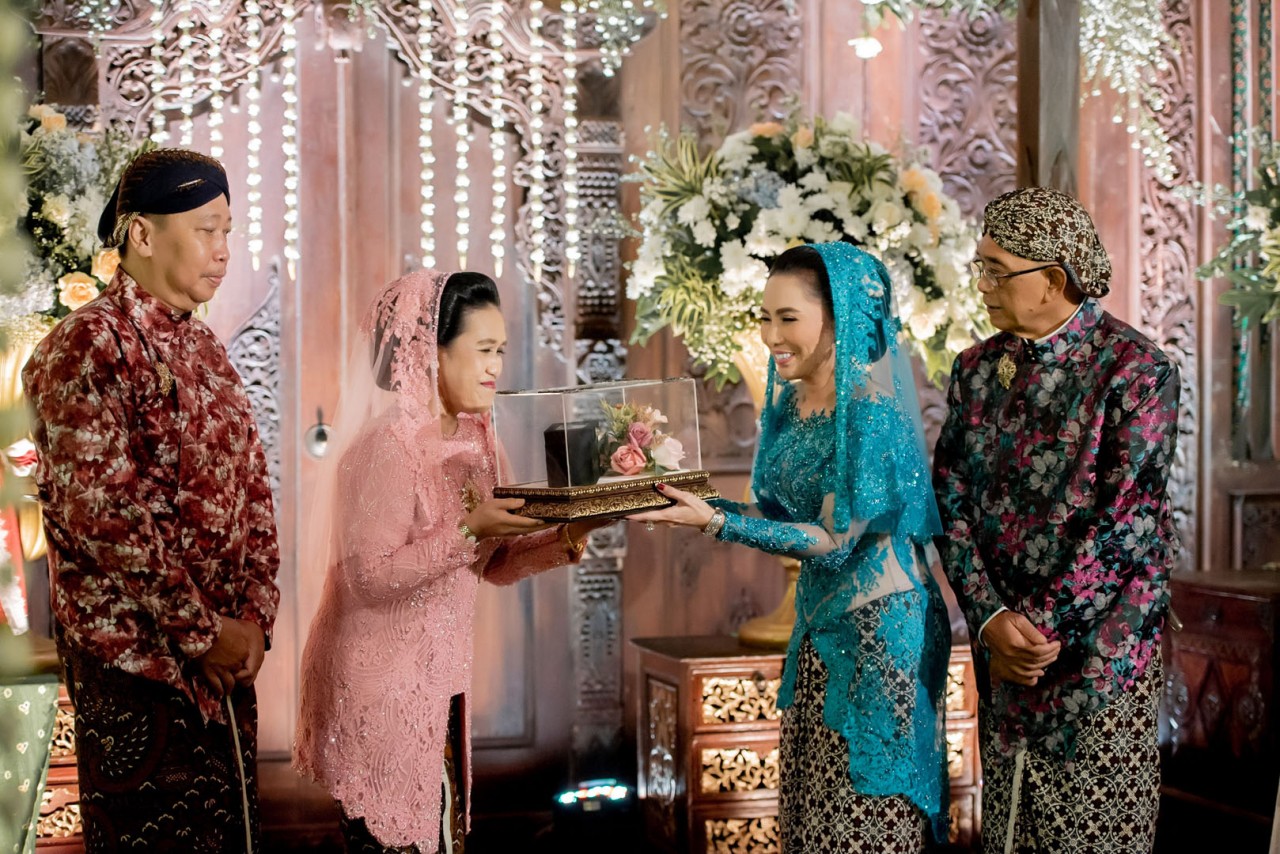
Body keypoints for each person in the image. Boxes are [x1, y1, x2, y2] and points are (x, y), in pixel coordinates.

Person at [633, 242, 951, 850]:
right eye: (764, 317)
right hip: (819, 625)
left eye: (788, 318)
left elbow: (833, 541)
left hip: (881, 635)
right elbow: (777, 515)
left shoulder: (870, 413)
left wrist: (716, 523)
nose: (771, 335)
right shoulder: (795, 400)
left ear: (839, 319)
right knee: (813, 815)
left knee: (862, 819)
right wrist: (689, 502)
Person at [22, 148, 280, 852]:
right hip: (138, 672)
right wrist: (203, 633)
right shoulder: (84, 347)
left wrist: (254, 621)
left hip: (225, 668)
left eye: (228, 232)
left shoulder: (206, 350)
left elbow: (255, 492)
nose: (223, 251)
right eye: (205, 229)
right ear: (141, 233)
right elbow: (108, 520)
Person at [294, 270, 600, 854]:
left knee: (443, 837)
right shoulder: (385, 447)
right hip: (380, 689)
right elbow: (370, 577)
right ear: (429, 352)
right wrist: (468, 529)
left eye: (500, 351)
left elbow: (495, 562)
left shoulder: (480, 440)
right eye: (483, 350)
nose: (495, 367)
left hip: (441, 686)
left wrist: (575, 531)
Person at [932, 186, 1179, 853]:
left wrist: (1036, 633)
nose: (981, 284)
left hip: (1098, 657)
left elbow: (1127, 522)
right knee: (1008, 832)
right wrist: (989, 617)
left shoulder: (1138, 370)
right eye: (980, 267)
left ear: (1053, 278)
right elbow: (948, 498)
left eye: (996, 270)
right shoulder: (976, 369)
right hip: (1004, 651)